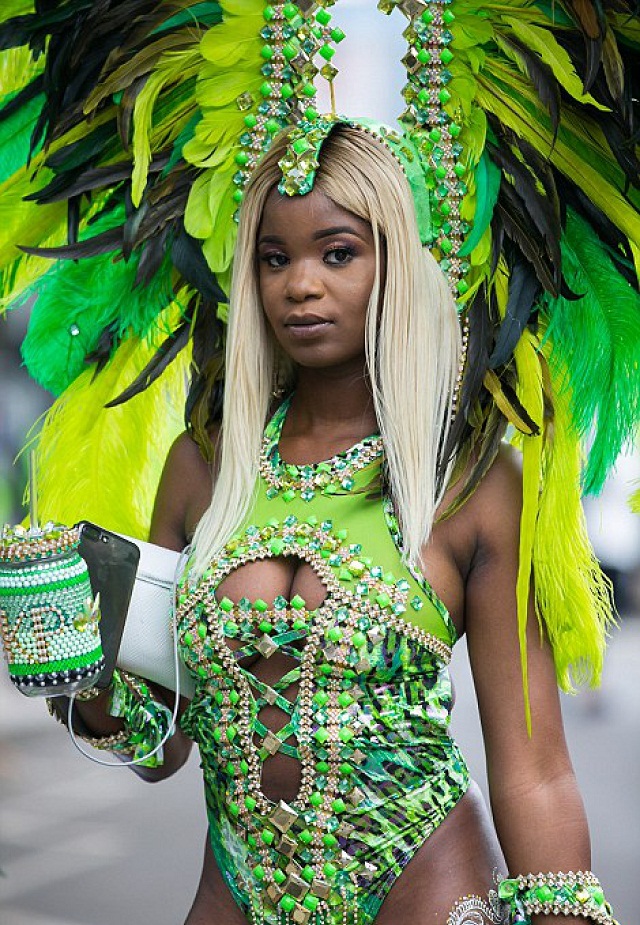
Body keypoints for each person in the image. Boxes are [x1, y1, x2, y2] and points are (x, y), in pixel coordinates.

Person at [56, 121, 616, 925]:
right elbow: (162, 747)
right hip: (234, 896)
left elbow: (533, 768)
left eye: (338, 252)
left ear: (397, 264)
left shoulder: (468, 480)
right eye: (274, 258)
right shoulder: (202, 465)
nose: (299, 285)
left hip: (427, 889)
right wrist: (76, 666)